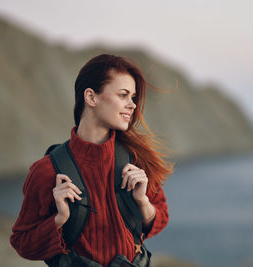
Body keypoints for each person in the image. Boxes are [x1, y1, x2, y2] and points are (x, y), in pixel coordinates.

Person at [10, 54, 172, 267]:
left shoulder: (136, 161)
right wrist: (59, 220)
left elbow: (161, 218)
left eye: (133, 97)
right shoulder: (46, 171)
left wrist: (143, 202)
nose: (132, 105)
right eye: (123, 95)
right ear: (91, 97)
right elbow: (22, 243)